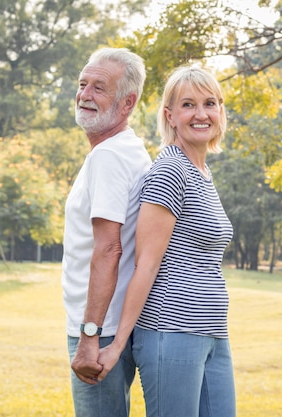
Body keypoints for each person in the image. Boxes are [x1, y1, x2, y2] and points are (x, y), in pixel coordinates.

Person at [97, 66, 236, 417]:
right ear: (170, 115)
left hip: (212, 332)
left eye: (209, 103)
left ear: (221, 111)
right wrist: (116, 346)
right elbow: (145, 263)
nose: (201, 114)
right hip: (170, 332)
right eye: (188, 104)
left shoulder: (201, 171)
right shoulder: (170, 171)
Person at [61, 47, 151, 417]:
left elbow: (109, 249)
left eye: (99, 87)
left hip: (101, 330)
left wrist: (89, 335)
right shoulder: (127, 150)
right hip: (110, 325)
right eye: (83, 84)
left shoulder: (109, 156)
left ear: (127, 102)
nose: (85, 95)